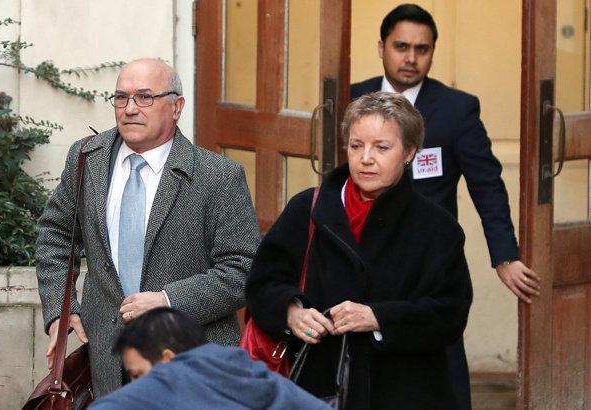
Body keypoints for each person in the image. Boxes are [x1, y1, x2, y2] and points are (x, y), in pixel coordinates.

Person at [350, 5, 540, 408]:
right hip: (360, 250)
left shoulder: (457, 109)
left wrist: (504, 256)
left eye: (423, 48)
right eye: (401, 46)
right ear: (381, 46)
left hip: (428, 259)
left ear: (433, 52)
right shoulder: (352, 98)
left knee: (441, 356)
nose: (411, 57)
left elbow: (486, 184)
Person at [35, 59, 261, 398]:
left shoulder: (218, 176)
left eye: (144, 97)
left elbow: (244, 271)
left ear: (176, 106)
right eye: (121, 98)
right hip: (109, 360)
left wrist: (168, 300)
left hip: (190, 361)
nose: (129, 109)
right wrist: (59, 311)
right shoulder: (86, 158)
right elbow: (55, 236)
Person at [246, 92, 473, 410]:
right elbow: (262, 282)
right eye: (356, 146)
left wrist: (378, 317)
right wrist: (291, 312)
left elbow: (449, 313)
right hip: (316, 388)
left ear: (408, 152)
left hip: (405, 392)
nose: (366, 158)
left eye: (381, 147)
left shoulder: (437, 228)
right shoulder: (307, 208)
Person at [88, 307, 332, 410]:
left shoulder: (174, 374)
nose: (136, 385)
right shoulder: (251, 371)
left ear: (168, 359)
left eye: (139, 375)